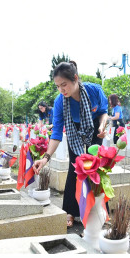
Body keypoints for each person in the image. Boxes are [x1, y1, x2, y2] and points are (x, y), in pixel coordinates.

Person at [32, 61, 109, 227]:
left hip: (95, 128)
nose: (61, 90)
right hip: (74, 130)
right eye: (58, 86)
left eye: (64, 85)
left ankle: (99, 209)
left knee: (95, 168)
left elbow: (103, 113)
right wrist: (45, 158)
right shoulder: (60, 101)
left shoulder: (94, 90)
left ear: (75, 78)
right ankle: (71, 211)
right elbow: (57, 132)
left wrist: (102, 126)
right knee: (75, 168)